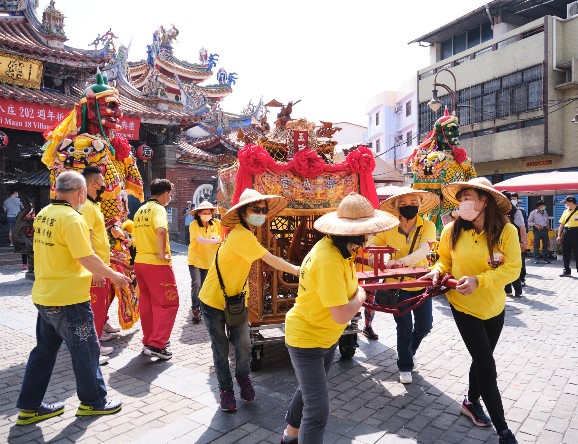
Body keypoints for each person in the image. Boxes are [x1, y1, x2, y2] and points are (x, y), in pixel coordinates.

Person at [280, 192, 398, 443]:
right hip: (307, 339)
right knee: (318, 411)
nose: (368, 237)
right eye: (366, 233)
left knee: (308, 392)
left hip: (325, 337)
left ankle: (289, 436)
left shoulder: (342, 251)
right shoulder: (329, 259)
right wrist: (362, 297)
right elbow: (341, 313)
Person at [15, 170, 131, 426]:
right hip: (69, 300)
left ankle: (29, 406)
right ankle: (94, 402)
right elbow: (86, 256)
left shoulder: (44, 214)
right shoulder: (72, 218)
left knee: (43, 353)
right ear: (80, 192)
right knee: (86, 351)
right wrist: (114, 276)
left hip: (45, 296)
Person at [421, 177, 521, 444]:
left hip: (494, 307)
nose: (463, 203)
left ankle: (470, 401)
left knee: (482, 358)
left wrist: (481, 280)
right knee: (487, 366)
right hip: (463, 306)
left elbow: (513, 269)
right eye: (461, 198)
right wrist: (437, 271)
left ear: (484, 201)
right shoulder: (452, 230)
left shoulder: (506, 232)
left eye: (468, 198)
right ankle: (503, 431)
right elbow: (444, 258)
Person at [198, 188, 300, 413]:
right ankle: (226, 390)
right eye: (257, 209)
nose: (261, 214)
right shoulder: (242, 236)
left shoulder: (245, 233)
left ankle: (243, 378)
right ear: (244, 212)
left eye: (264, 210)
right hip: (213, 299)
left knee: (244, 344)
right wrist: (296, 269)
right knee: (221, 348)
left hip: (235, 299)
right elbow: (270, 258)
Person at [366, 188, 438, 385]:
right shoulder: (388, 227)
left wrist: (401, 262)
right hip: (397, 287)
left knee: (425, 325)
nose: (409, 207)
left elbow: (424, 250)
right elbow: (375, 248)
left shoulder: (428, 225)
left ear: (419, 205)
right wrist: (382, 259)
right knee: (404, 327)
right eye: (404, 205)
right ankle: (404, 365)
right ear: (397, 208)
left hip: (421, 282)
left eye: (413, 203)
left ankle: (409, 351)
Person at [133, 179, 179, 360]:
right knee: (168, 303)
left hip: (141, 262)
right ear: (166, 193)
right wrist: (161, 253)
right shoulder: (159, 209)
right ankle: (158, 345)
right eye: (170, 194)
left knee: (148, 303)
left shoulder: (139, 210)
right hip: (156, 264)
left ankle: (149, 340)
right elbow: (161, 231)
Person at [80, 166, 114, 358]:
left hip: (101, 265)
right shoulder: (85, 207)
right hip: (95, 268)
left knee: (99, 307)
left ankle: (96, 341)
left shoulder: (93, 205)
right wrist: (96, 270)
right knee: (94, 308)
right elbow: (87, 241)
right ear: (93, 183)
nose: (105, 187)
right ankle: (92, 350)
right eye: (103, 184)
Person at [187, 200, 221, 323]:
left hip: (209, 260)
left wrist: (218, 240)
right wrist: (215, 241)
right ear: (199, 214)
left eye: (209, 212)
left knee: (205, 286)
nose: (207, 214)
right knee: (196, 284)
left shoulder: (216, 223)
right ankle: (196, 309)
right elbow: (200, 239)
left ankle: (204, 308)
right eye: (204, 212)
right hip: (195, 259)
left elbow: (223, 236)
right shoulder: (194, 225)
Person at [502, 191, 526, 298]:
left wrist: (523, 242)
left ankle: (518, 290)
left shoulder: (516, 211)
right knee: (503, 265)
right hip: (502, 242)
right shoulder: (499, 210)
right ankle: (507, 290)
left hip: (514, 242)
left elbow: (522, 227)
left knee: (512, 265)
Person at [557, 195, 578, 277]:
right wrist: (559, 235)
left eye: (566, 202)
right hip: (566, 232)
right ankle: (566, 270)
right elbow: (562, 224)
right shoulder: (565, 211)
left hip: (576, 232)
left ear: (571, 202)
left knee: (577, 252)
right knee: (566, 252)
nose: (565, 204)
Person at [509, 193, 527, 287]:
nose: (512, 200)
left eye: (514, 199)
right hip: (507, 241)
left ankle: (521, 279)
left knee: (520, 260)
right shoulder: (501, 211)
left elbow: (523, 227)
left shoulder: (519, 211)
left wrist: (523, 241)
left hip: (517, 239)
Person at [528, 200, 550, 264]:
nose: (544, 207)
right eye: (542, 206)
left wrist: (548, 225)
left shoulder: (545, 212)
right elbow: (529, 222)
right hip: (537, 230)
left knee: (545, 245)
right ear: (539, 206)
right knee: (536, 245)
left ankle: (545, 259)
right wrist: (535, 225)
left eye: (544, 206)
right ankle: (536, 259)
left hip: (545, 230)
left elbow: (547, 220)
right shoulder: (533, 213)